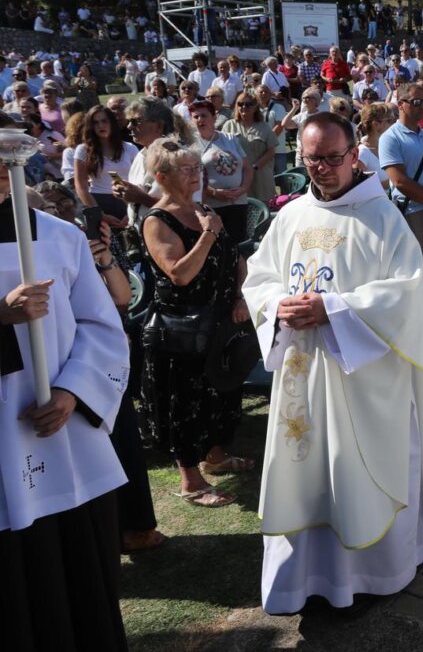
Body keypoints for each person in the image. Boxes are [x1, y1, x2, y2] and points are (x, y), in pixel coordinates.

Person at [242, 112, 423, 615]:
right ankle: (304, 578)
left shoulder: (382, 216)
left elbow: (406, 294)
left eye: (332, 158)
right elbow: (259, 277)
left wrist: (332, 308)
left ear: (354, 156)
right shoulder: (292, 215)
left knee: (359, 471)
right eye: (312, 158)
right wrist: (278, 305)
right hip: (303, 371)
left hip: (364, 380)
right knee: (308, 471)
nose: (322, 168)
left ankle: (374, 573)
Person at [0, 152, 132, 652]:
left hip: (63, 436)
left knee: (78, 571)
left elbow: (102, 327)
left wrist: (73, 391)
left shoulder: (59, 237)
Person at [139, 138, 253, 508]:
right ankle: (190, 481)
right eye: (186, 170)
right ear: (162, 176)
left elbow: (236, 257)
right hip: (180, 331)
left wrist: (241, 295)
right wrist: (208, 233)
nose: (196, 175)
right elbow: (179, 274)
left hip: (219, 323)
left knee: (220, 394)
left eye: (196, 168)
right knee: (184, 404)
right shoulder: (157, 221)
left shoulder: (205, 209)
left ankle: (216, 456)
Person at [379, 83, 423, 288]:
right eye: (416, 102)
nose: (422, 107)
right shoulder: (390, 138)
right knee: (414, 277)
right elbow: (399, 181)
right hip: (413, 214)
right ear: (400, 104)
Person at [190, 100, 253, 245]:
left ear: (214, 117)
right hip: (211, 206)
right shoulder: (190, 144)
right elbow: (191, 178)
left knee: (238, 245)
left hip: (238, 203)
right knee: (217, 246)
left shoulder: (230, 139)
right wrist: (213, 192)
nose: (200, 120)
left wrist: (243, 189)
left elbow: (248, 168)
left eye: (204, 116)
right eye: (196, 117)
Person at [73, 105, 139, 222]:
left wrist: (132, 212)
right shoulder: (83, 150)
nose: (100, 126)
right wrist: (100, 214)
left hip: (128, 201)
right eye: (95, 123)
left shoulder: (130, 148)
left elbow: (139, 182)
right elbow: (81, 186)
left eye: (104, 121)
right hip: (97, 201)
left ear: (112, 123)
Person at [222, 92, 278, 202]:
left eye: (248, 104)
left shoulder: (264, 126)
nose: (244, 107)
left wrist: (254, 167)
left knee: (263, 210)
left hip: (260, 176)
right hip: (237, 177)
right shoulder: (229, 125)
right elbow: (222, 150)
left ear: (255, 106)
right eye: (240, 104)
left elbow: (271, 151)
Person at [354, 101, 393, 188]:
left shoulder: (387, 146)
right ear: (376, 125)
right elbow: (357, 187)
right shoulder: (362, 153)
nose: (394, 123)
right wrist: (394, 182)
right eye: (389, 120)